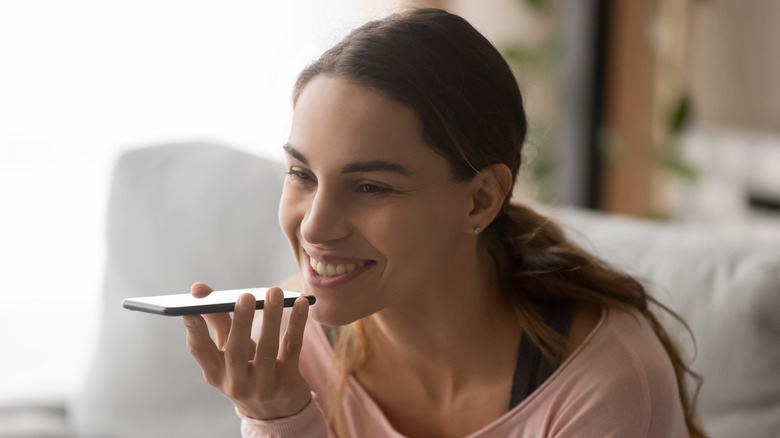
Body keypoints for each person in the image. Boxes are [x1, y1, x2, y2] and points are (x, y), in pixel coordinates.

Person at [182, 8, 706, 438]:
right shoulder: (293, 353)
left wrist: (286, 428)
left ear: (479, 200)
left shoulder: (602, 383)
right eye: (301, 173)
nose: (315, 228)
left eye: (370, 187)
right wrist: (274, 414)